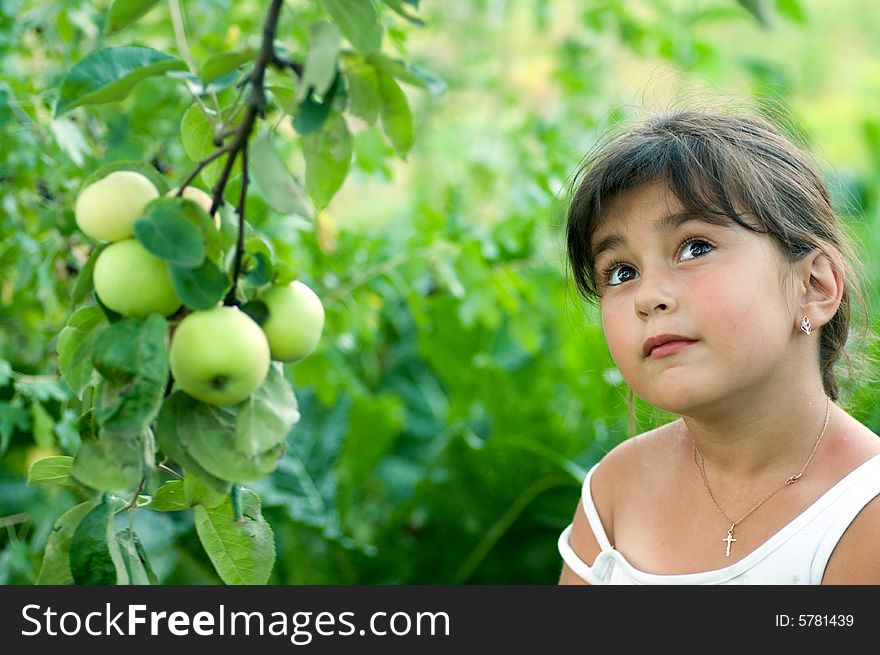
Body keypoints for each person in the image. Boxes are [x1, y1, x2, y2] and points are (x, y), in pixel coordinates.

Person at [557, 108, 880, 584]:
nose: (649, 297)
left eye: (695, 248)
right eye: (621, 272)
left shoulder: (862, 512)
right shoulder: (614, 492)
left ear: (814, 286)